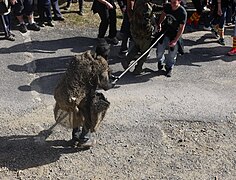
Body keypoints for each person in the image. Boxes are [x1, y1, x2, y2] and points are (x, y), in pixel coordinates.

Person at [121, 0, 155, 75]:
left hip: (135, 30)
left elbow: (130, 9)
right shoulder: (146, 7)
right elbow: (148, 17)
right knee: (145, 51)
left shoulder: (138, 2)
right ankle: (138, 68)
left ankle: (127, 60)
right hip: (144, 32)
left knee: (137, 46)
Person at [156, 0, 187, 77]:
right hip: (165, 32)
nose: (172, 4)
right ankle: (160, 60)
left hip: (175, 34)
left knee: (172, 53)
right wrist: (159, 24)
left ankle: (169, 67)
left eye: (174, 2)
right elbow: (163, 14)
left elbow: (181, 28)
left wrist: (175, 40)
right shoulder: (168, 6)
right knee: (159, 51)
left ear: (179, 1)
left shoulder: (182, 12)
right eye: (171, 1)